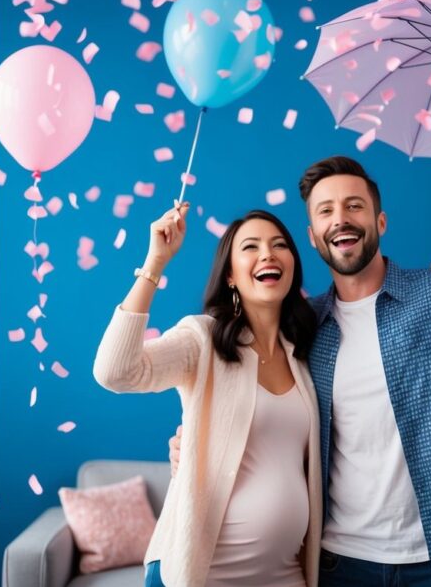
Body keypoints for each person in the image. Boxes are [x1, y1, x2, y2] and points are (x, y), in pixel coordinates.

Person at [173, 155, 431, 586]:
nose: (341, 219)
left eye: (354, 206)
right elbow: (254, 401)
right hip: (341, 564)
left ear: (380, 221)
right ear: (313, 238)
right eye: (326, 211)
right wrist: (195, 441)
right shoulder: (302, 327)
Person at [93, 204, 322, 587]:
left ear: (293, 266)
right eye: (251, 246)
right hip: (202, 574)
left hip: (284, 575)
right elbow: (115, 372)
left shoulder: (303, 354)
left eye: (279, 244)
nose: (268, 253)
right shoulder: (202, 339)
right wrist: (154, 264)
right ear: (230, 275)